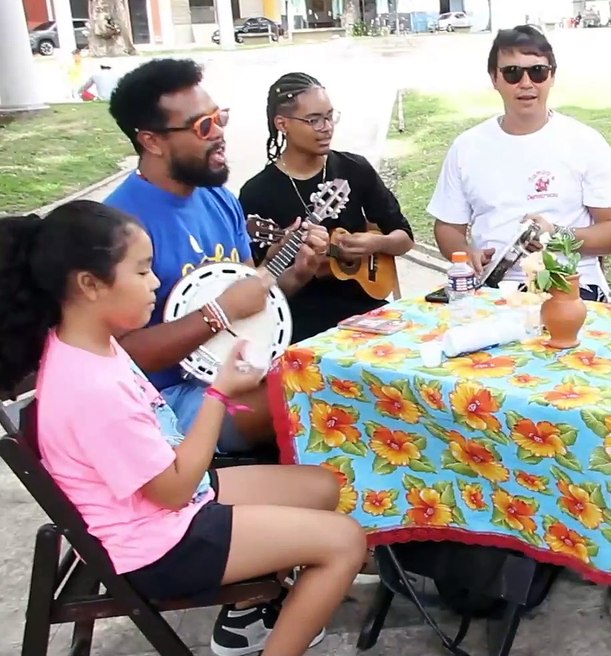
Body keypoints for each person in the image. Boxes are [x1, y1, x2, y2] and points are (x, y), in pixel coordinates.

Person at [0, 201, 368, 656]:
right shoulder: (90, 387)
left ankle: (259, 610)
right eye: (142, 271)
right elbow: (172, 490)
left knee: (320, 487)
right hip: (157, 544)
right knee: (345, 542)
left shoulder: (85, 345)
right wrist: (220, 393)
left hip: (157, 506)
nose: (155, 283)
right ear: (90, 285)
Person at [102, 58, 328, 454]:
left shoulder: (219, 198)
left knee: (341, 371)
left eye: (219, 117)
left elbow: (244, 307)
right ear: (152, 141)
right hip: (167, 404)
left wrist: (292, 276)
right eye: (203, 126)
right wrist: (219, 312)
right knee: (313, 398)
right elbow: (122, 354)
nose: (220, 133)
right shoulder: (118, 226)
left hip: (235, 373)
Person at [426, 25, 611, 302]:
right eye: (512, 73)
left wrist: (557, 235)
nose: (525, 83)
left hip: (568, 286)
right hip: (490, 290)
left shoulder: (585, 143)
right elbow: (448, 227)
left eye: (537, 72)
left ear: (552, 76)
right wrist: (463, 253)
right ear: (494, 78)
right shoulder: (467, 147)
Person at [239, 72, 415, 342]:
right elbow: (264, 290)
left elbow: (404, 238)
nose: (326, 127)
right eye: (313, 120)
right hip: (304, 325)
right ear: (282, 123)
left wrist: (375, 244)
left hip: (369, 315)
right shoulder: (258, 193)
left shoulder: (355, 169)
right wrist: (297, 269)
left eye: (330, 116)